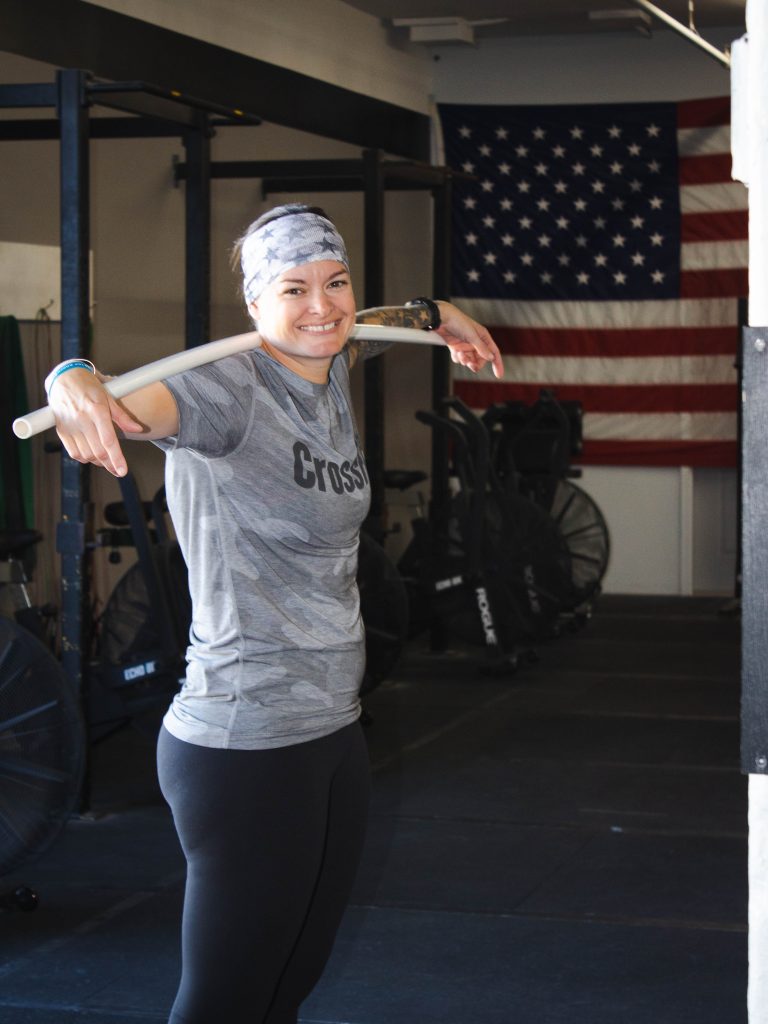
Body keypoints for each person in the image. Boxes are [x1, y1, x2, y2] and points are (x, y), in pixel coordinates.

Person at [47, 203, 503, 1024]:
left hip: (330, 728)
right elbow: (124, 406)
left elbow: (360, 324)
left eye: (336, 281)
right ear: (254, 304)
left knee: (286, 986)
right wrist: (70, 373)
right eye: (293, 287)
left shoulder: (325, 359)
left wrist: (436, 316)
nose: (321, 304)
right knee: (225, 1001)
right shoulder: (222, 391)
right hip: (246, 740)